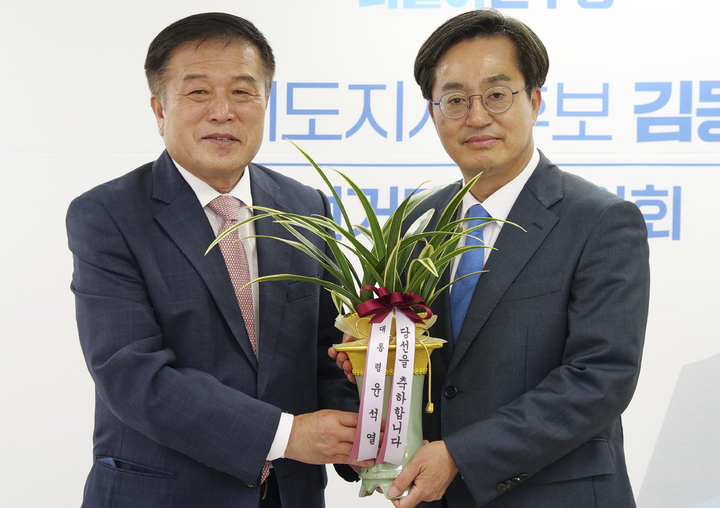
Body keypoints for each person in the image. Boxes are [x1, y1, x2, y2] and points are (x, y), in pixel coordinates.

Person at [332, 9, 649, 508]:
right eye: (455, 100)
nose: (477, 117)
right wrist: (372, 370)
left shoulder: (600, 219)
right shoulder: (415, 223)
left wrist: (462, 455)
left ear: (535, 100)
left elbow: (601, 376)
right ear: (433, 113)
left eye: (497, 94)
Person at [67, 12, 368, 508]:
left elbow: (324, 350)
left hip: (288, 496)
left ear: (266, 102)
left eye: (243, 92)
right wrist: (287, 435)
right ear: (159, 109)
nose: (223, 112)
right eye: (199, 92)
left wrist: (362, 435)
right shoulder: (108, 214)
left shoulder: (305, 206)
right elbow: (131, 374)